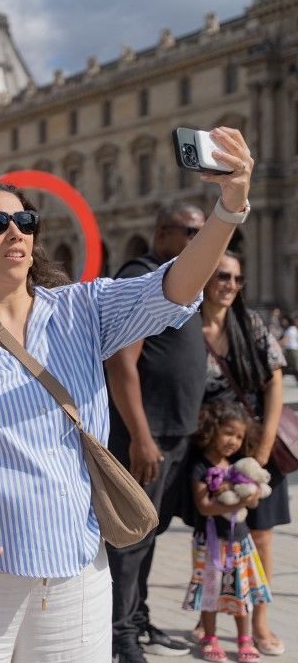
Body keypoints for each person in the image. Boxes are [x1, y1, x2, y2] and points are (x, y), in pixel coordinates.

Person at [0, 127, 255, 662]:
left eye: (25, 221)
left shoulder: (82, 310)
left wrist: (229, 205)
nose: (16, 231)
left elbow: (175, 286)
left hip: (76, 572)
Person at [104, 203, 206, 661]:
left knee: (150, 533)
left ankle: (138, 618)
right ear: (163, 232)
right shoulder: (142, 277)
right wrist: (141, 436)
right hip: (147, 434)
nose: (200, 241)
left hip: (175, 431)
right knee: (129, 538)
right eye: (192, 232)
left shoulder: (181, 283)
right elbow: (122, 361)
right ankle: (120, 634)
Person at [198, 250, 288, 656]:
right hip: (211, 448)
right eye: (221, 276)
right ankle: (209, 615)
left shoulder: (250, 323)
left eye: (236, 278)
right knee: (210, 534)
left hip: (254, 447)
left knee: (262, 536)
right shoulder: (187, 326)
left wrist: (266, 445)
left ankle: (260, 621)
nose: (230, 285)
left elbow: (274, 382)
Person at [182, 401, 270, 663]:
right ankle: (210, 637)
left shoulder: (236, 465)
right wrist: (243, 501)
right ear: (214, 429)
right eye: (229, 432)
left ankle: (245, 639)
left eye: (239, 436)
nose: (234, 441)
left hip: (239, 540)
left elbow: (252, 500)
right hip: (210, 542)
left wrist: (252, 496)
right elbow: (205, 507)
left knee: (241, 592)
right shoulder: (199, 466)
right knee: (211, 592)